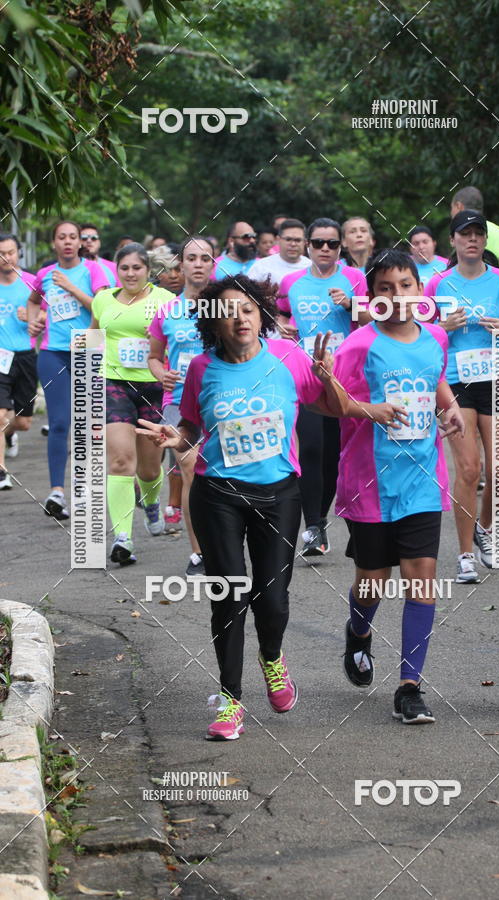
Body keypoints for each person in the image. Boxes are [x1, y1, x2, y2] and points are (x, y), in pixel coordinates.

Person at [137, 275, 349, 740]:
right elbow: (191, 426)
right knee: (229, 597)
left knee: (272, 600)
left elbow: (333, 408)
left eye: (249, 309)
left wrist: (328, 373)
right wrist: (178, 439)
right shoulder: (200, 368)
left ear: (262, 315)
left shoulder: (290, 359)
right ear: (214, 324)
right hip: (217, 496)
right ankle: (231, 701)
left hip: (278, 496)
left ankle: (271, 657)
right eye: (229, 312)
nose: (240, 318)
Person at [334, 249, 465, 722]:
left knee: (421, 580)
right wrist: (371, 411)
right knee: (372, 583)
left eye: (405, 285)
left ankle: (410, 687)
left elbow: (436, 379)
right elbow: (335, 404)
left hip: (422, 481)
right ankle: (359, 632)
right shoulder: (356, 346)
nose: (396, 296)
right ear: (371, 296)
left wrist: (448, 406)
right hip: (368, 481)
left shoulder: (434, 338)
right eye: (385, 288)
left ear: (418, 289)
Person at [425, 210, 499, 583]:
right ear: (452, 241)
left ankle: (483, 528)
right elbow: (421, 333)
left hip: (498, 379)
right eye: (464, 234)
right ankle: (465, 554)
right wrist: (440, 326)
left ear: (485, 241)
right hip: (456, 383)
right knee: (469, 469)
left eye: (478, 234)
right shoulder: (438, 284)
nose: (472, 239)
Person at [277, 217, 368, 555]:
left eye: (332, 243)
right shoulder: (292, 281)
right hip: (308, 375)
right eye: (318, 243)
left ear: (340, 247)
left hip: (347, 378)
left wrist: (351, 304)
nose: (325, 249)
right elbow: (281, 313)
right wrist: (283, 325)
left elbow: (374, 318)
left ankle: (341, 523)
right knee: (311, 450)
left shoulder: (355, 278)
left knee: (338, 455)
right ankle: (313, 525)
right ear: (308, 247)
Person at [90, 243, 173, 564]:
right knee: (121, 460)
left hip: (154, 387)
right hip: (113, 384)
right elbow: (94, 335)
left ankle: (151, 503)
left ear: (148, 270)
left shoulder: (165, 301)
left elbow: (178, 337)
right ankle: (123, 538)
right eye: (124, 268)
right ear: (116, 269)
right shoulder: (103, 299)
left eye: (136, 268)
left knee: (150, 467)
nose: (130, 273)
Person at [27, 221, 110, 518]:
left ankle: (85, 491)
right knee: (59, 423)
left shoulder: (92, 270)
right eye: (61, 237)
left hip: (88, 349)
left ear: (80, 243)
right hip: (53, 354)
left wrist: (71, 287)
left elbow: (102, 307)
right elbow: (33, 300)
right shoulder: (44, 274)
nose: (67, 242)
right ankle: (56, 493)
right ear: (53, 243)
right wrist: (34, 323)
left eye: (72, 237)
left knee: (88, 425)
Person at [148, 235, 214, 575]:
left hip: (222, 401)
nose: (198, 264)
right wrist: (162, 375)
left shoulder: (229, 306)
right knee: (190, 471)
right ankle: (199, 552)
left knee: (221, 474)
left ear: (212, 264)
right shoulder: (167, 311)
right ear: (182, 265)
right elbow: (154, 358)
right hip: (178, 402)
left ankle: (227, 541)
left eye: (204, 258)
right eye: (192, 258)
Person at [0, 234, 36, 488]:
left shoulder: (33, 282)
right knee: (0, 415)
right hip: (0, 356)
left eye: (10, 252)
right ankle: (2, 471)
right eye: (1, 253)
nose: (6, 258)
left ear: (19, 253)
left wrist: (34, 315)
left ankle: (10, 435)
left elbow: (49, 315)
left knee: (23, 422)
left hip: (26, 356)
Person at [450, 186, 499, 268]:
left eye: (479, 233)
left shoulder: (492, 230)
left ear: (459, 206)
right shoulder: (492, 229)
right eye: (465, 233)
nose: (473, 237)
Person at [247, 219, 310, 288]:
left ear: (305, 242)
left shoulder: (312, 268)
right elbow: (244, 294)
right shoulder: (261, 267)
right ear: (278, 240)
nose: (293, 244)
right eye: (288, 239)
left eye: (298, 240)